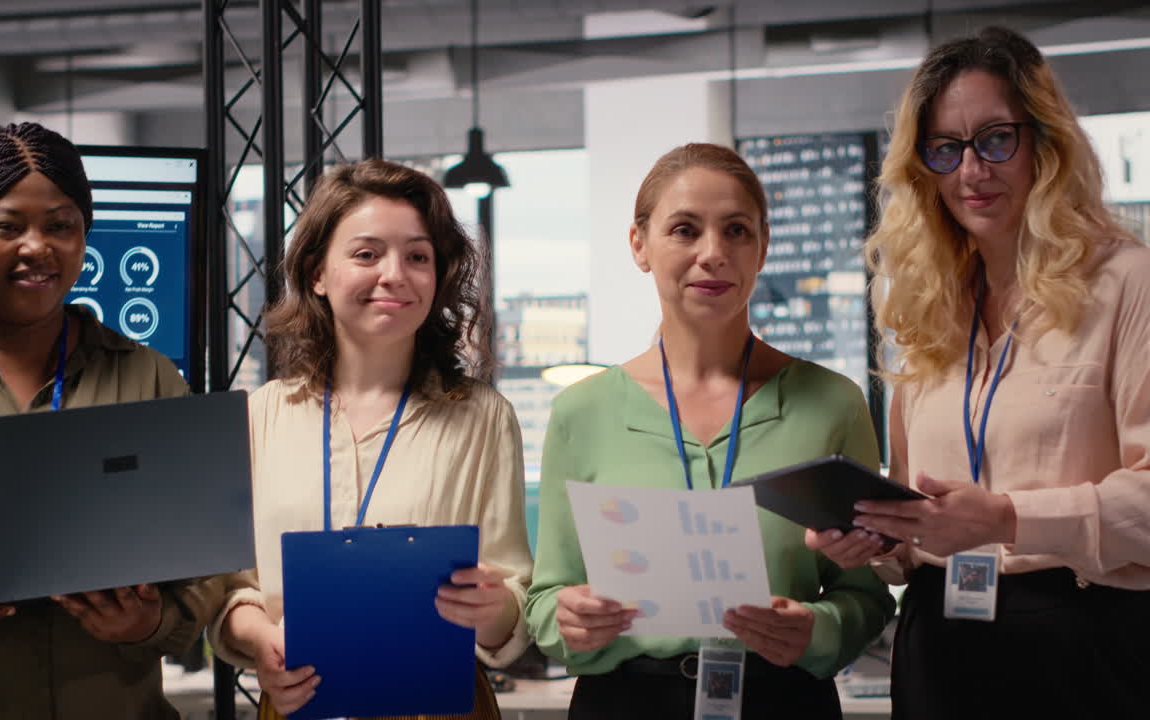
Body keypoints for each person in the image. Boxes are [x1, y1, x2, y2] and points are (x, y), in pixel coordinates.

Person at [807, 26, 1150, 720]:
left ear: (1044, 143)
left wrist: (1009, 517)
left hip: (1081, 643)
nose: (971, 171)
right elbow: (913, 534)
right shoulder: (925, 305)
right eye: (946, 149)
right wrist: (871, 541)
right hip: (940, 647)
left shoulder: (1126, 283)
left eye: (996, 139)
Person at [525, 143, 896, 720]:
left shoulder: (832, 404)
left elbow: (868, 597)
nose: (713, 253)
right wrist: (568, 619)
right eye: (684, 230)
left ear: (763, 247)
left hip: (782, 699)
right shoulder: (582, 412)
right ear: (639, 245)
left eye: (737, 231)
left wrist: (817, 630)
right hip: (624, 702)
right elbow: (546, 600)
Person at [0, 122, 223, 718]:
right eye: (7, 226)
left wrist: (151, 620)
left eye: (61, 226)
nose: (39, 247)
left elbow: (208, 558)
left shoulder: (149, 377)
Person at [207, 158, 532, 719]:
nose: (394, 274)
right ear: (315, 273)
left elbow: (515, 606)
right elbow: (232, 592)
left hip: (441, 706)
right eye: (366, 253)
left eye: (417, 256)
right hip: (298, 704)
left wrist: (493, 606)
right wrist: (261, 641)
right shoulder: (259, 417)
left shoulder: (484, 417)